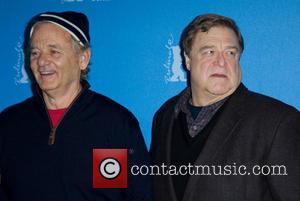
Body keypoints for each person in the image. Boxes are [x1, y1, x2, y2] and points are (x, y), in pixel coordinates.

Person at [0, 11, 151, 201]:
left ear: (83, 58)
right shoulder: (9, 123)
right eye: (35, 53)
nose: (42, 62)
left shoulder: (113, 123)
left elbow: (139, 195)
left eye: (54, 51)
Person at [150, 13, 300, 201]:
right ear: (187, 60)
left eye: (230, 53)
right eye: (209, 52)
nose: (221, 62)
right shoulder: (164, 116)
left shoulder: (278, 122)